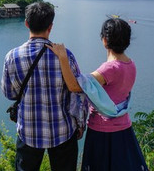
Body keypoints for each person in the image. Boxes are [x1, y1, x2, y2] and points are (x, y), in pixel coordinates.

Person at [48, 18, 148, 171]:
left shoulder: (109, 68)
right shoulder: (130, 64)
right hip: (124, 128)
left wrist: (62, 58)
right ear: (127, 40)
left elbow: (75, 86)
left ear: (104, 40)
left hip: (103, 131)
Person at [1, 1, 84, 171]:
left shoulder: (12, 57)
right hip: (63, 130)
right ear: (50, 26)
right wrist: (80, 123)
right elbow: (77, 91)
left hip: (29, 132)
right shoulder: (65, 56)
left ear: (26, 23)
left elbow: (9, 93)